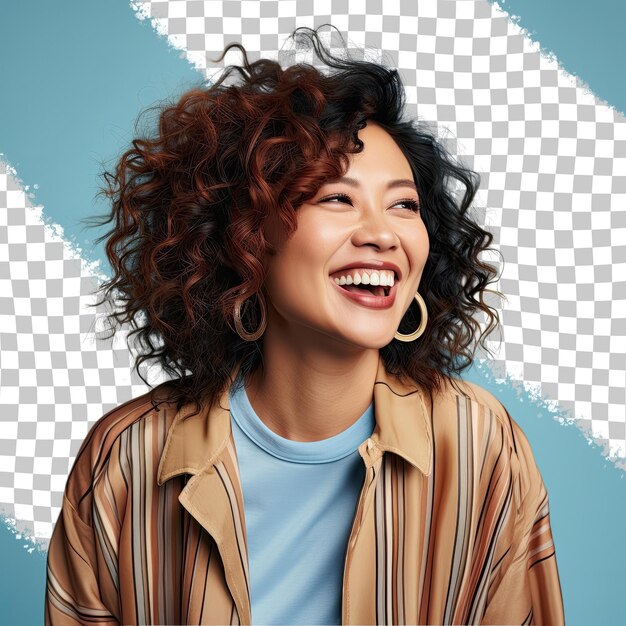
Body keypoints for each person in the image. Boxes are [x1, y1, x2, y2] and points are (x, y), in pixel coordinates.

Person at [45, 26, 564, 626]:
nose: (383, 233)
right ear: (247, 235)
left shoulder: (479, 444)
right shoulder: (128, 458)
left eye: (404, 205)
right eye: (337, 199)